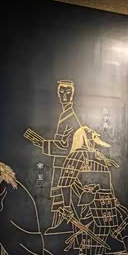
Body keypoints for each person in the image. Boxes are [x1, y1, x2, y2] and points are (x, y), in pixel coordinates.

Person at [56, 126, 128, 255]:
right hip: (89, 203)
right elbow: (65, 183)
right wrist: (67, 206)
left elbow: (106, 181)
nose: (95, 140)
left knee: (112, 232)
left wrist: (114, 199)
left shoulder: (98, 155)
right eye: (92, 137)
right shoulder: (76, 156)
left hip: (107, 203)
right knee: (88, 234)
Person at [23, 79, 82, 235]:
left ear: (73, 94)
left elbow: (67, 147)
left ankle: (65, 223)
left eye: (68, 92)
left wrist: (42, 143)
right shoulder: (64, 115)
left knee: (63, 192)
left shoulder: (71, 117)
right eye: (61, 91)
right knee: (58, 194)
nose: (64, 95)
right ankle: (60, 222)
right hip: (59, 163)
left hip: (65, 163)